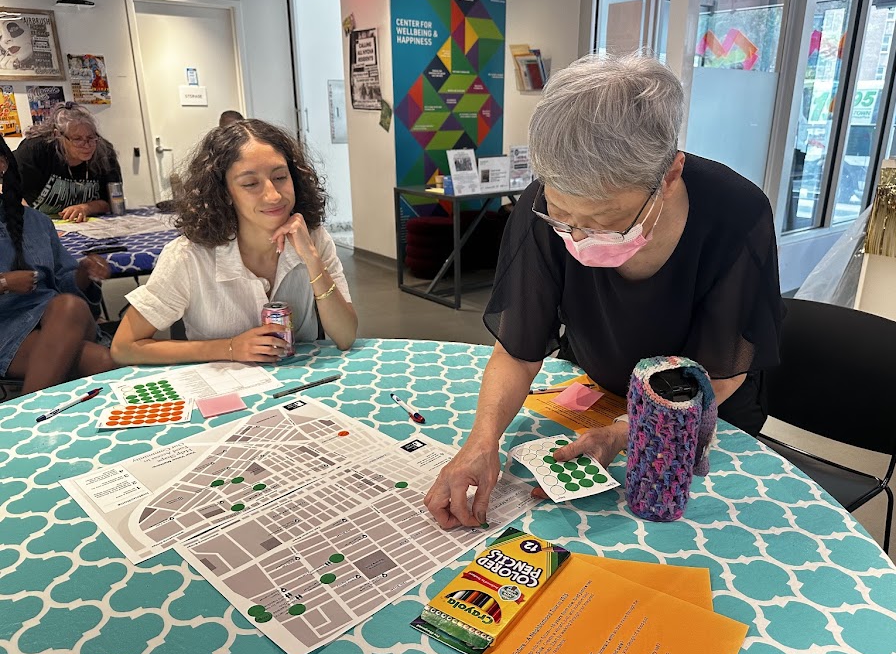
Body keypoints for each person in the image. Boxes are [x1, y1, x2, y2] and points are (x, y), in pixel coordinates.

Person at [424, 53, 784, 529]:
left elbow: (719, 370)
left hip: (700, 408)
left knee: (670, 527)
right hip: (598, 389)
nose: (578, 237)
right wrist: (481, 441)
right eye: (563, 217)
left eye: (606, 220)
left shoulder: (735, 213)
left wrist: (626, 432)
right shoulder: (539, 204)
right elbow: (517, 351)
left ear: (669, 175)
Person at [110, 119, 357, 365]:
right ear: (225, 193)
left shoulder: (313, 238)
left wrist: (312, 260)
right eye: (250, 184)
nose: (273, 195)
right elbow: (124, 347)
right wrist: (229, 347)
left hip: (302, 382)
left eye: (281, 177)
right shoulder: (188, 256)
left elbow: (345, 337)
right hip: (222, 385)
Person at [0, 135, 116, 393]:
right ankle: (39, 412)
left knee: (68, 305)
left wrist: (84, 271)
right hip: (5, 330)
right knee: (103, 361)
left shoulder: (37, 221)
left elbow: (64, 280)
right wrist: (5, 283)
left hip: (55, 316)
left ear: (3, 164)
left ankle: (30, 413)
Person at [15, 102, 122, 222]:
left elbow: (113, 201)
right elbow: (6, 188)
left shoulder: (104, 152)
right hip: (38, 222)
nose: (87, 145)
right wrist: (28, 219)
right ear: (57, 135)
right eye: (77, 139)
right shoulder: (34, 149)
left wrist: (86, 208)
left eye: (90, 138)